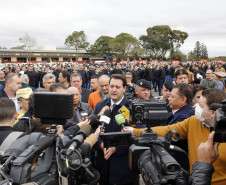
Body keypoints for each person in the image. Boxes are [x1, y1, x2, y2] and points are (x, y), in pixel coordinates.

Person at [123, 88, 226, 185]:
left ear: (213, 112)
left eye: (200, 106)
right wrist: (136, 131)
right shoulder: (194, 121)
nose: (195, 107)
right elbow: (167, 130)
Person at [93, 74, 133, 185]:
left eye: (118, 87)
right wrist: (100, 144)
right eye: (112, 86)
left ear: (124, 88)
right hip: (103, 164)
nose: (114, 90)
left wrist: (116, 148)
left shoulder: (132, 107)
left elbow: (135, 135)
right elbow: (93, 129)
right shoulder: (100, 105)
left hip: (122, 165)